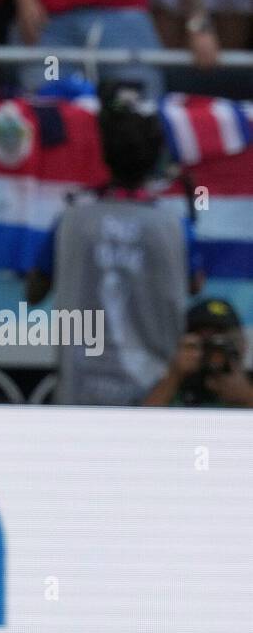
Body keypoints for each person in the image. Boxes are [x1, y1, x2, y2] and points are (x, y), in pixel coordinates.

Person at [25, 85, 203, 406]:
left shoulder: (70, 220)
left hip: (80, 393)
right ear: (154, 158)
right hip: (154, 394)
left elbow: (33, 292)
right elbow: (194, 285)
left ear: (105, 153)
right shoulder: (175, 226)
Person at [9, 0, 220, 102]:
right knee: (47, 108)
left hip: (126, 23)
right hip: (52, 29)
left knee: (137, 112)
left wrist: (198, 22)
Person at [142, 297, 253, 407]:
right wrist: (174, 376)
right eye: (203, 341)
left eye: (223, 342)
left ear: (243, 343)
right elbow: (142, 420)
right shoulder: (169, 383)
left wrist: (247, 396)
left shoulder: (249, 383)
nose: (213, 351)